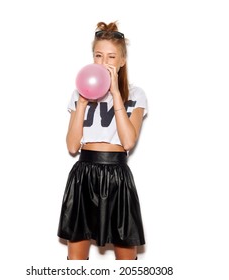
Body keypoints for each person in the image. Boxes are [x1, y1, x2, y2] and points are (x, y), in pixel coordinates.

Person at [57, 21, 148, 260]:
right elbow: (71, 146)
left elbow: (128, 142)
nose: (104, 62)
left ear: (122, 61)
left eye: (111, 56)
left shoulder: (135, 94)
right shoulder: (79, 92)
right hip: (83, 176)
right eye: (98, 55)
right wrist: (83, 103)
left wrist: (116, 93)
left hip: (117, 175)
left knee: (126, 259)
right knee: (76, 259)